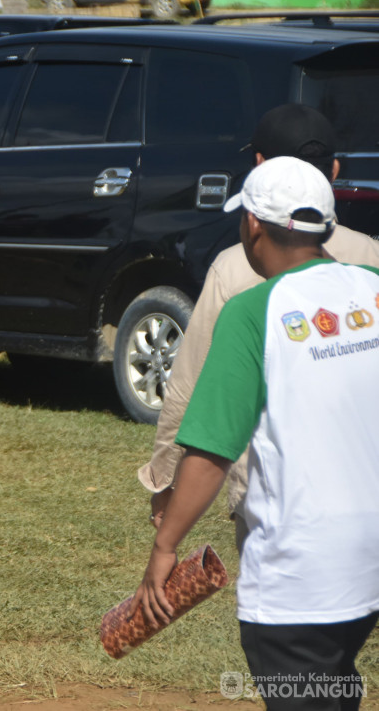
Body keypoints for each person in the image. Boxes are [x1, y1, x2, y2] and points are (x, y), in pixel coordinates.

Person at [134, 156, 379, 711]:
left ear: (252, 224)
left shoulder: (253, 312)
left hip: (301, 574)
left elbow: (213, 450)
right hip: (370, 565)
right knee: (337, 683)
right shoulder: (371, 286)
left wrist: (165, 545)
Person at [138, 104, 379, 548]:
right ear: (335, 172)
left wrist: (164, 478)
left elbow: (190, 387)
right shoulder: (369, 259)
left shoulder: (235, 270)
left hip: (270, 500)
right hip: (361, 491)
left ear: (260, 169)